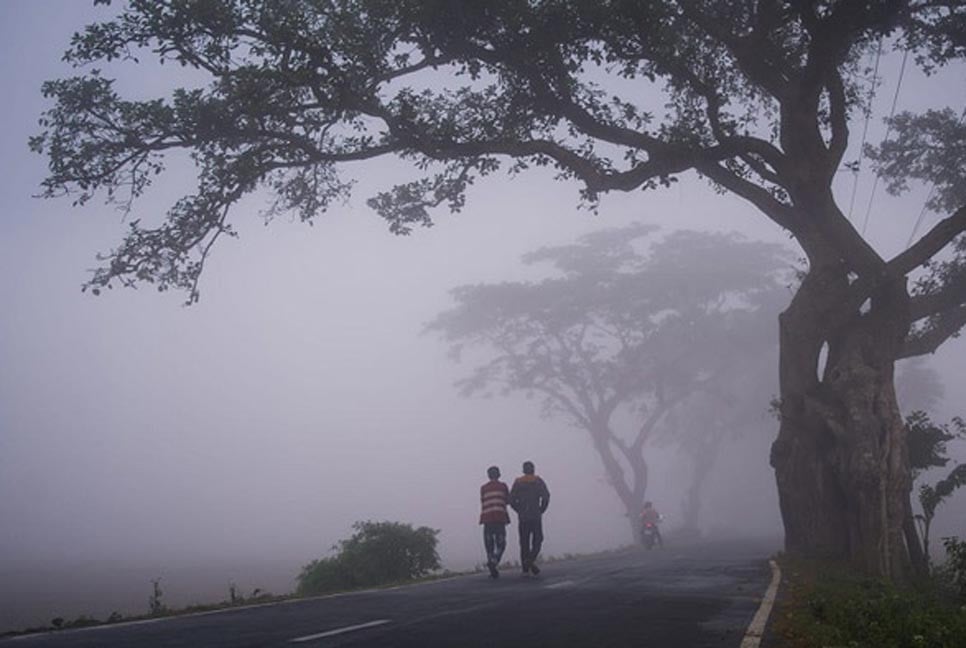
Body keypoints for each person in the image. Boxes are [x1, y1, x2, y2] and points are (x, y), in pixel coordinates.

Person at [509, 460, 550, 575]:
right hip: (535, 516)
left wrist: (519, 510)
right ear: (533, 469)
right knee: (538, 539)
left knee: (524, 542)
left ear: (523, 470)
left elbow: (511, 500)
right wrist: (542, 509)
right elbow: (546, 496)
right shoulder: (538, 481)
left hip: (523, 517)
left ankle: (525, 567)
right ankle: (530, 560)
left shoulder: (518, 482)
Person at [479, 465, 510, 578]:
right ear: (499, 475)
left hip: (487, 518)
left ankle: (492, 565)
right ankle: (495, 560)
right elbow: (507, 500)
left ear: (488, 476)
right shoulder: (503, 486)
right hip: (499, 518)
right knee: (501, 543)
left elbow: (482, 500)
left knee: (489, 544)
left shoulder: (483, 488)